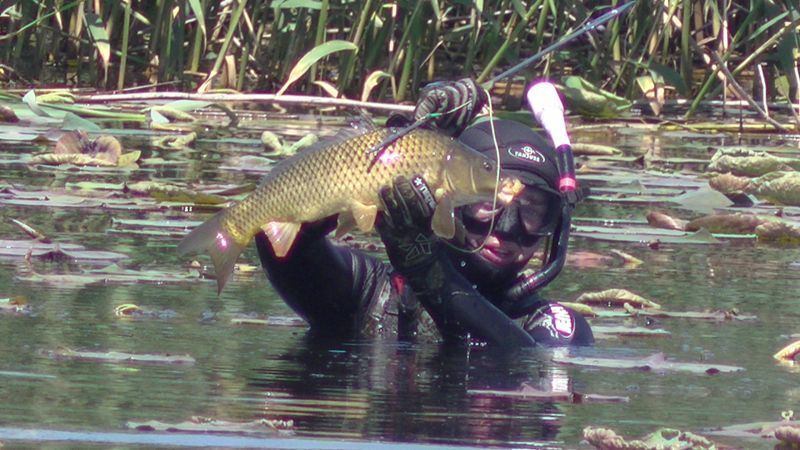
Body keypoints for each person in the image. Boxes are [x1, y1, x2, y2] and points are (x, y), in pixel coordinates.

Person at [255, 79, 593, 347]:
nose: (505, 229)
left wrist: (429, 270)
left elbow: (524, 366)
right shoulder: (372, 294)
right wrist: (394, 158)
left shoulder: (553, 324)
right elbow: (278, 242)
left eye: (534, 211)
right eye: (487, 203)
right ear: (447, 197)